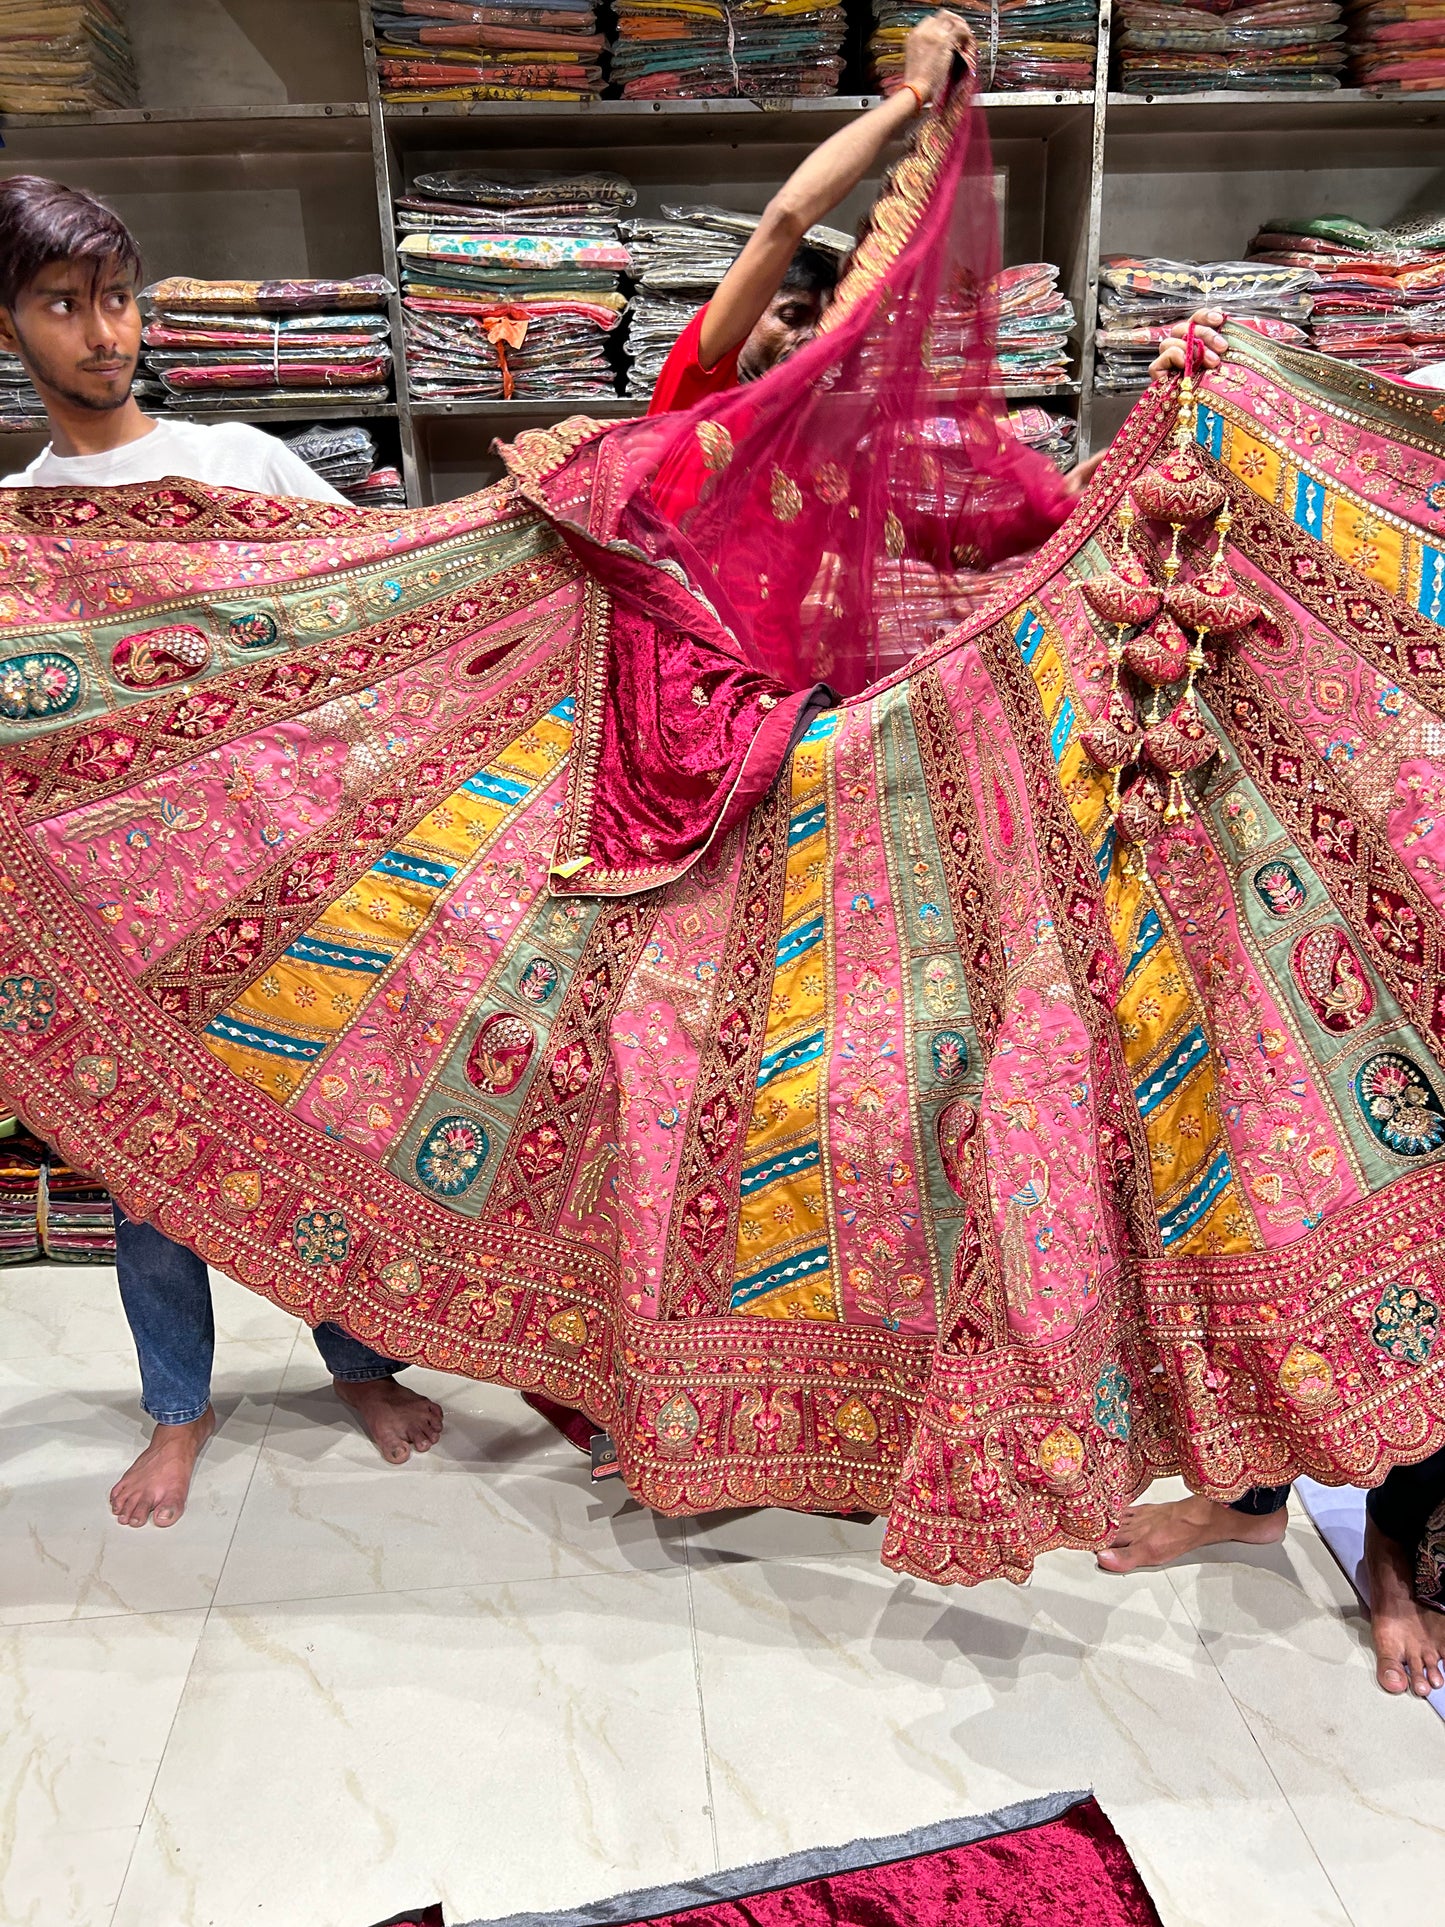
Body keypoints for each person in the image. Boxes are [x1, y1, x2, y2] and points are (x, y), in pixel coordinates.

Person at [0, 174, 445, 1528]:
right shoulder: (16, 525)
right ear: (11, 322)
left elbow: (389, 592)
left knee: (334, 1139)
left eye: (119, 298)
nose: (103, 332)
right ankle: (177, 1408)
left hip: (292, 887)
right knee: (148, 1175)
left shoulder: (242, 459)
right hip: (123, 920)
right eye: (64, 305)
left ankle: (361, 1362)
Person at [647, 8, 976, 415]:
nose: (810, 339)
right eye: (791, 316)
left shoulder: (807, 421)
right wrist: (915, 92)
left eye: (819, 324)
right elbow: (786, 218)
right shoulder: (702, 379)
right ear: (743, 316)